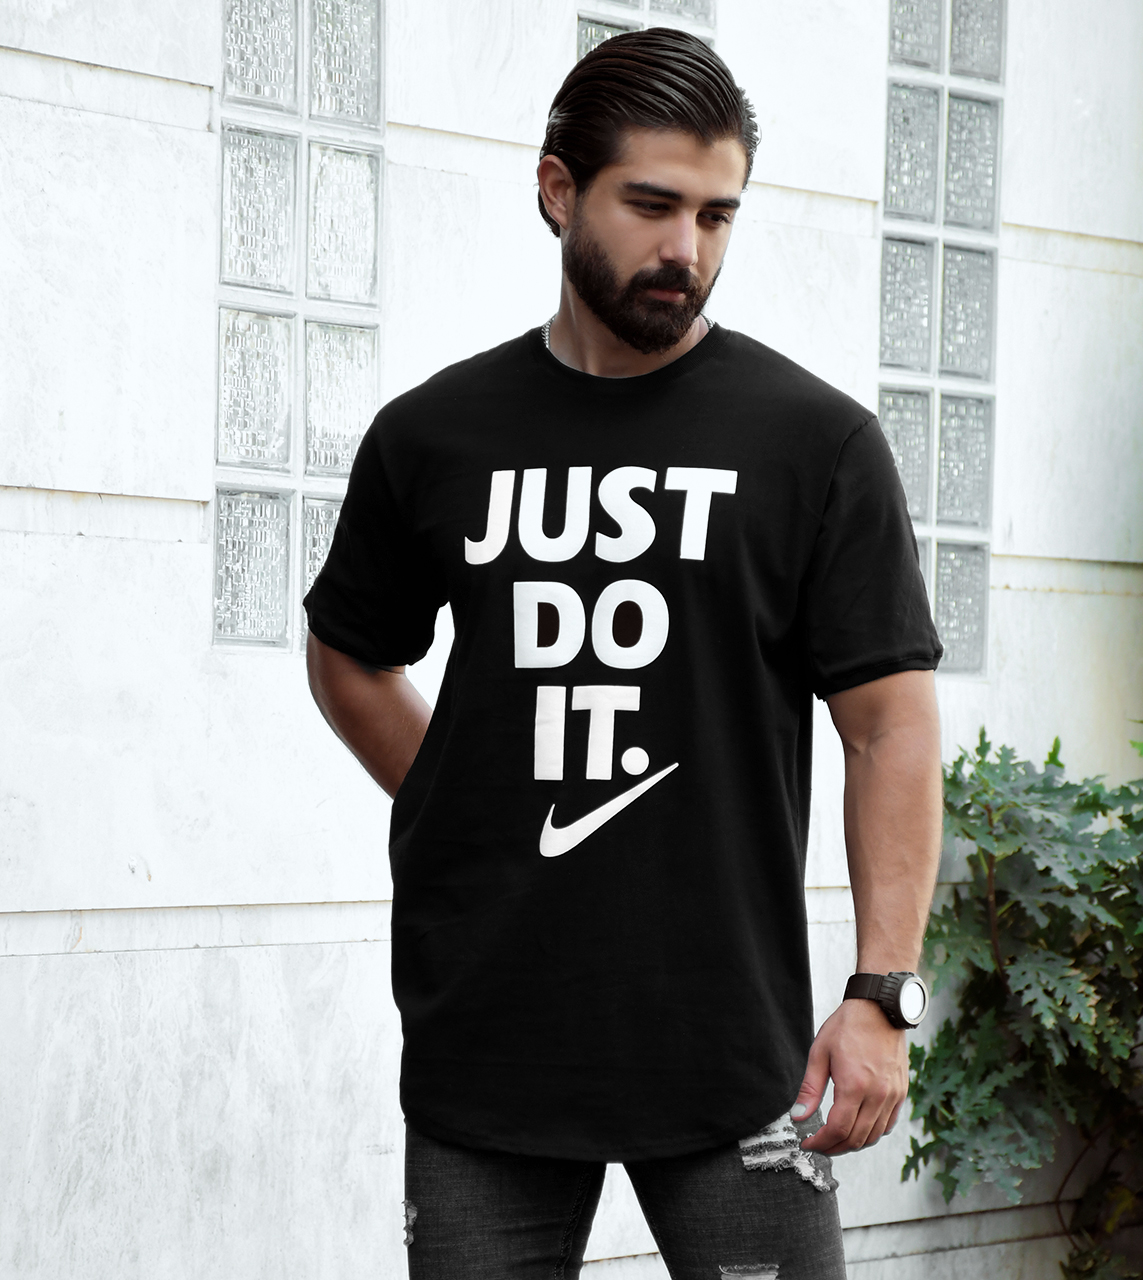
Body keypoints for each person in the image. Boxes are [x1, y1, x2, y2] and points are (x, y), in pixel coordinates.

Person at [304, 26, 943, 1279]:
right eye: (651, 205)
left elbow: (888, 725)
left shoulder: (812, 443)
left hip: (738, 1054)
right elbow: (350, 657)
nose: (684, 249)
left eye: (715, 215)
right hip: (486, 1041)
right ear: (557, 190)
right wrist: (460, 797)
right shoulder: (432, 436)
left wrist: (882, 991)